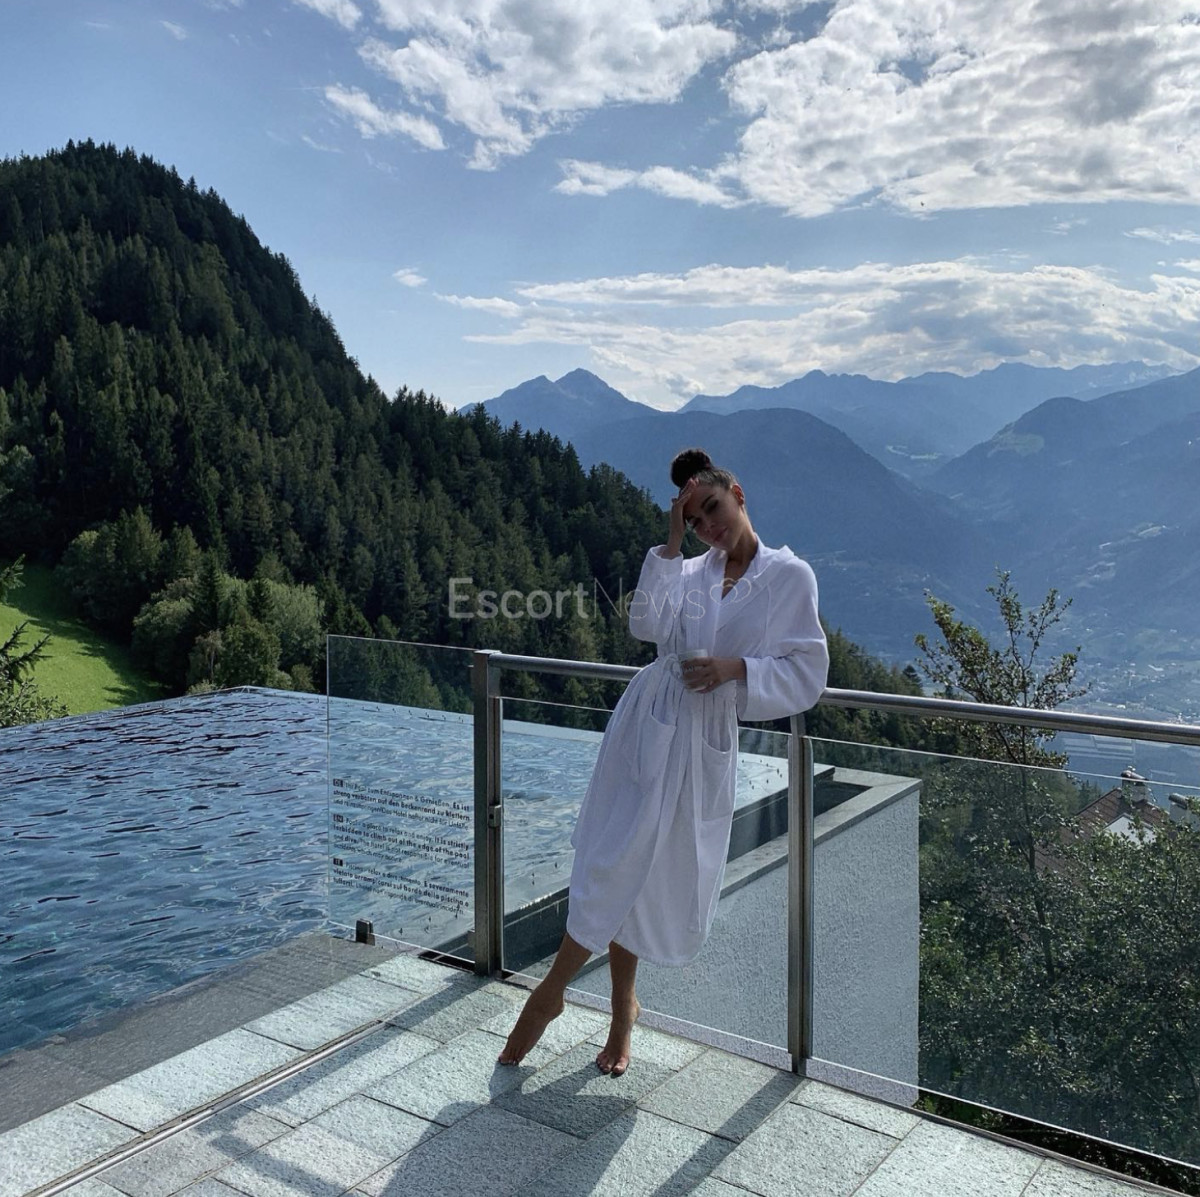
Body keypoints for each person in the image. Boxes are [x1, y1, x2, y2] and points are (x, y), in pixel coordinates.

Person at [498, 447, 829, 1075]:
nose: (708, 527)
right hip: (647, 721)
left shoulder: (790, 577)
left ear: (738, 494)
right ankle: (558, 993)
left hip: (703, 736)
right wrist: (671, 545)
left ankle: (614, 1008)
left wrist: (736, 669)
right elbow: (645, 627)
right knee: (615, 856)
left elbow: (808, 672)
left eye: (713, 509)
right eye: (694, 520)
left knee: (648, 873)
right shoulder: (690, 570)